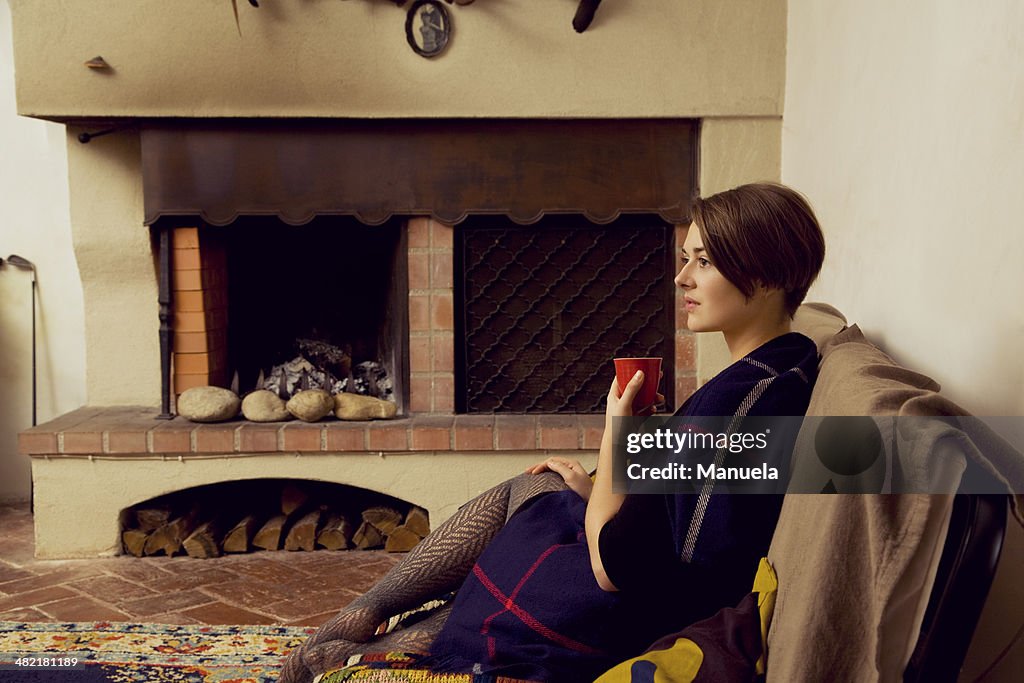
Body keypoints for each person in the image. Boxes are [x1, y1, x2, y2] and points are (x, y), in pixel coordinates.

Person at [280, 182, 827, 683]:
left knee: (536, 500)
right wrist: (607, 480)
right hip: (635, 565)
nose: (682, 278)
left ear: (765, 275)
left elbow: (617, 569)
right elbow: (678, 507)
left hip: (623, 613)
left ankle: (376, 644)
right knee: (537, 486)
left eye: (703, 263)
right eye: (686, 259)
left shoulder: (745, 401)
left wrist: (619, 438)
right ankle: (369, 616)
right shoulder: (775, 369)